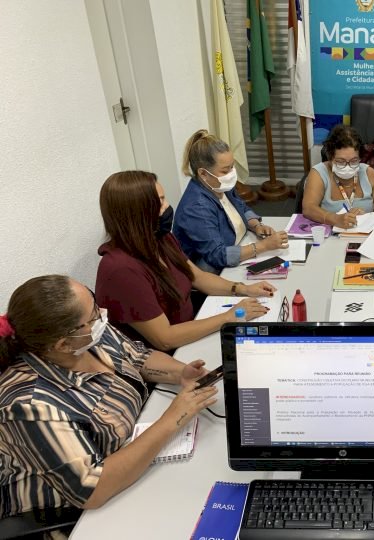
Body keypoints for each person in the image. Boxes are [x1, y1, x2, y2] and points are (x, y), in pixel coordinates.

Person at [0, 275, 219, 517]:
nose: (102, 314)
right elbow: (91, 488)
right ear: (63, 344)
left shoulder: (87, 338)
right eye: (93, 315)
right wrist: (173, 419)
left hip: (132, 455)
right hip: (76, 511)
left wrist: (180, 373)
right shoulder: (30, 405)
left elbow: (137, 357)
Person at [96, 171, 274, 352]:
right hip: (169, 354)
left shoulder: (160, 239)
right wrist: (230, 316)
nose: (167, 206)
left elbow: (198, 277)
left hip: (192, 328)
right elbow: (165, 339)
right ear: (138, 212)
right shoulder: (121, 270)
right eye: (160, 202)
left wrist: (244, 289)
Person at [173, 130, 289, 274]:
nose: (231, 174)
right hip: (210, 270)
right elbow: (217, 255)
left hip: (238, 247)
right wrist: (263, 246)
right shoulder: (197, 208)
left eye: (232, 166)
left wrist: (257, 225)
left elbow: (240, 206)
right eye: (225, 170)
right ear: (203, 173)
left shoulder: (219, 184)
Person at [302, 125, 374, 229]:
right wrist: (336, 219)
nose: (348, 166)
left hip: (364, 236)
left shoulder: (369, 173)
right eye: (341, 162)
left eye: (354, 161)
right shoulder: (318, 173)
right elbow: (308, 208)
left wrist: (367, 218)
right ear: (330, 157)